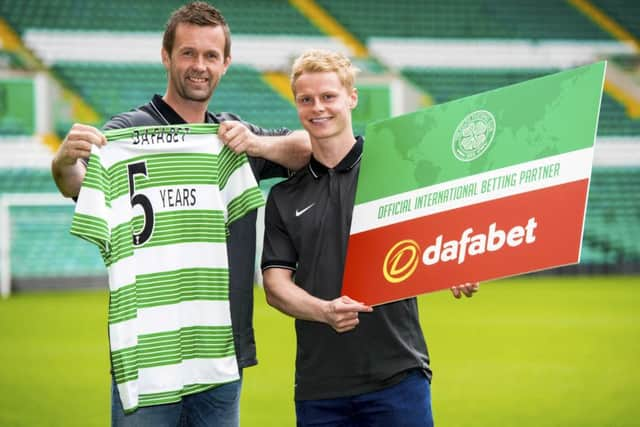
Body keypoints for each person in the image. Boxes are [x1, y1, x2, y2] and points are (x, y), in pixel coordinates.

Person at [51, 2, 310, 426]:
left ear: (226, 63)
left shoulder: (232, 137)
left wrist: (256, 145)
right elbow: (79, 185)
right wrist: (61, 164)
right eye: (188, 53)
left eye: (211, 55)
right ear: (166, 55)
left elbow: (308, 148)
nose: (199, 65)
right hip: (148, 356)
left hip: (220, 353)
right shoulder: (128, 134)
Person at [261, 49, 479, 426]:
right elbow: (275, 286)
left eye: (328, 96)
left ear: (352, 97)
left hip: (398, 378)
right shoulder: (283, 196)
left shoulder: (397, 172)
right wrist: (324, 312)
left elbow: (439, 238)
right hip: (319, 390)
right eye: (306, 99)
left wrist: (454, 263)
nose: (318, 108)